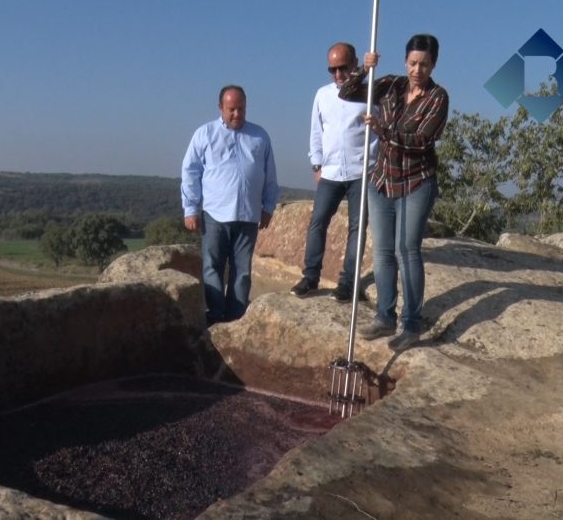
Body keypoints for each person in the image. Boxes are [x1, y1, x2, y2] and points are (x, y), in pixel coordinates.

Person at [339, 33, 449, 351]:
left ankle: (411, 324)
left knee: (407, 250)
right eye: (413, 63)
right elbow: (347, 93)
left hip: (416, 181)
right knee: (383, 252)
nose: (418, 70)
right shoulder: (389, 84)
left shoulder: (438, 98)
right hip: (383, 179)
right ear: (405, 61)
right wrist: (363, 68)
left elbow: (420, 142)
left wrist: (382, 129)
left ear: (433, 65)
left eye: (424, 65)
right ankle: (384, 317)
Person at [181, 85, 279, 326]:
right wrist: (191, 208)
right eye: (231, 109)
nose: (237, 114)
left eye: (241, 108)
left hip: (248, 215)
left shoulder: (259, 136)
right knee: (213, 266)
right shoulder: (205, 134)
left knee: (242, 270)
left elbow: (270, 174)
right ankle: (215, 317)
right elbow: (190, 171)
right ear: (220, 108)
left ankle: (235, 318)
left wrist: (268, 206)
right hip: (215, 214)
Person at [290, 42, 378, 302]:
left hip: (361, 170)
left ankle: (348, 282)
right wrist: (316, 165)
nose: (338, 74)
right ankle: (310, 276)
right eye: (332, 69)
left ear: (353, 65)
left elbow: (381, 129)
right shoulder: (323, 95)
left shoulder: (369, 92)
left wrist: (368, 68)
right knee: (317, 222)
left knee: (357, 227)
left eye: (342, 68)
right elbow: (316, 132)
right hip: (330, 172)